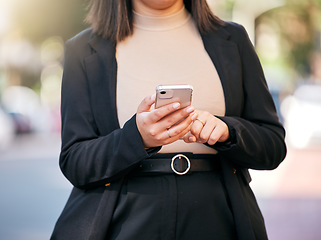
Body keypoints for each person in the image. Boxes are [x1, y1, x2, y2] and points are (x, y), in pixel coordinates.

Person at [51, 0, 287, 239]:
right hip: (123, 218)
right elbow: (75, 161)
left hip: (218, 215)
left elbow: (273, 145)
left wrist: (227, 131)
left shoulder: (233, 39)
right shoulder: (83, 49)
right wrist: (137, 138)